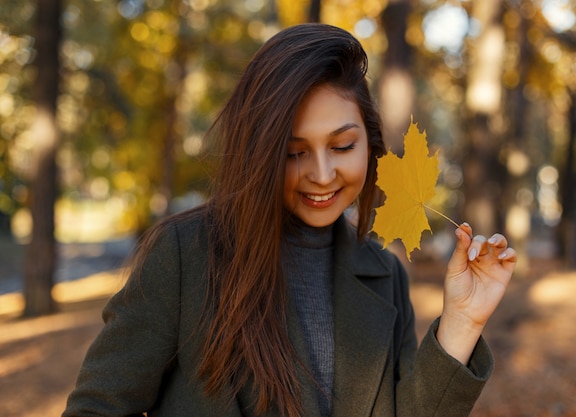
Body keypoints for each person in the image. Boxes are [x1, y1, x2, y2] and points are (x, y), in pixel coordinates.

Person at [62, 23, 516, 417]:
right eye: (293, 152)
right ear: (258, 150)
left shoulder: (384, 273)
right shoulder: (185, 256)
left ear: (370, 145)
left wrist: (461, 323)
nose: (321, 174)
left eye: (342, 147)